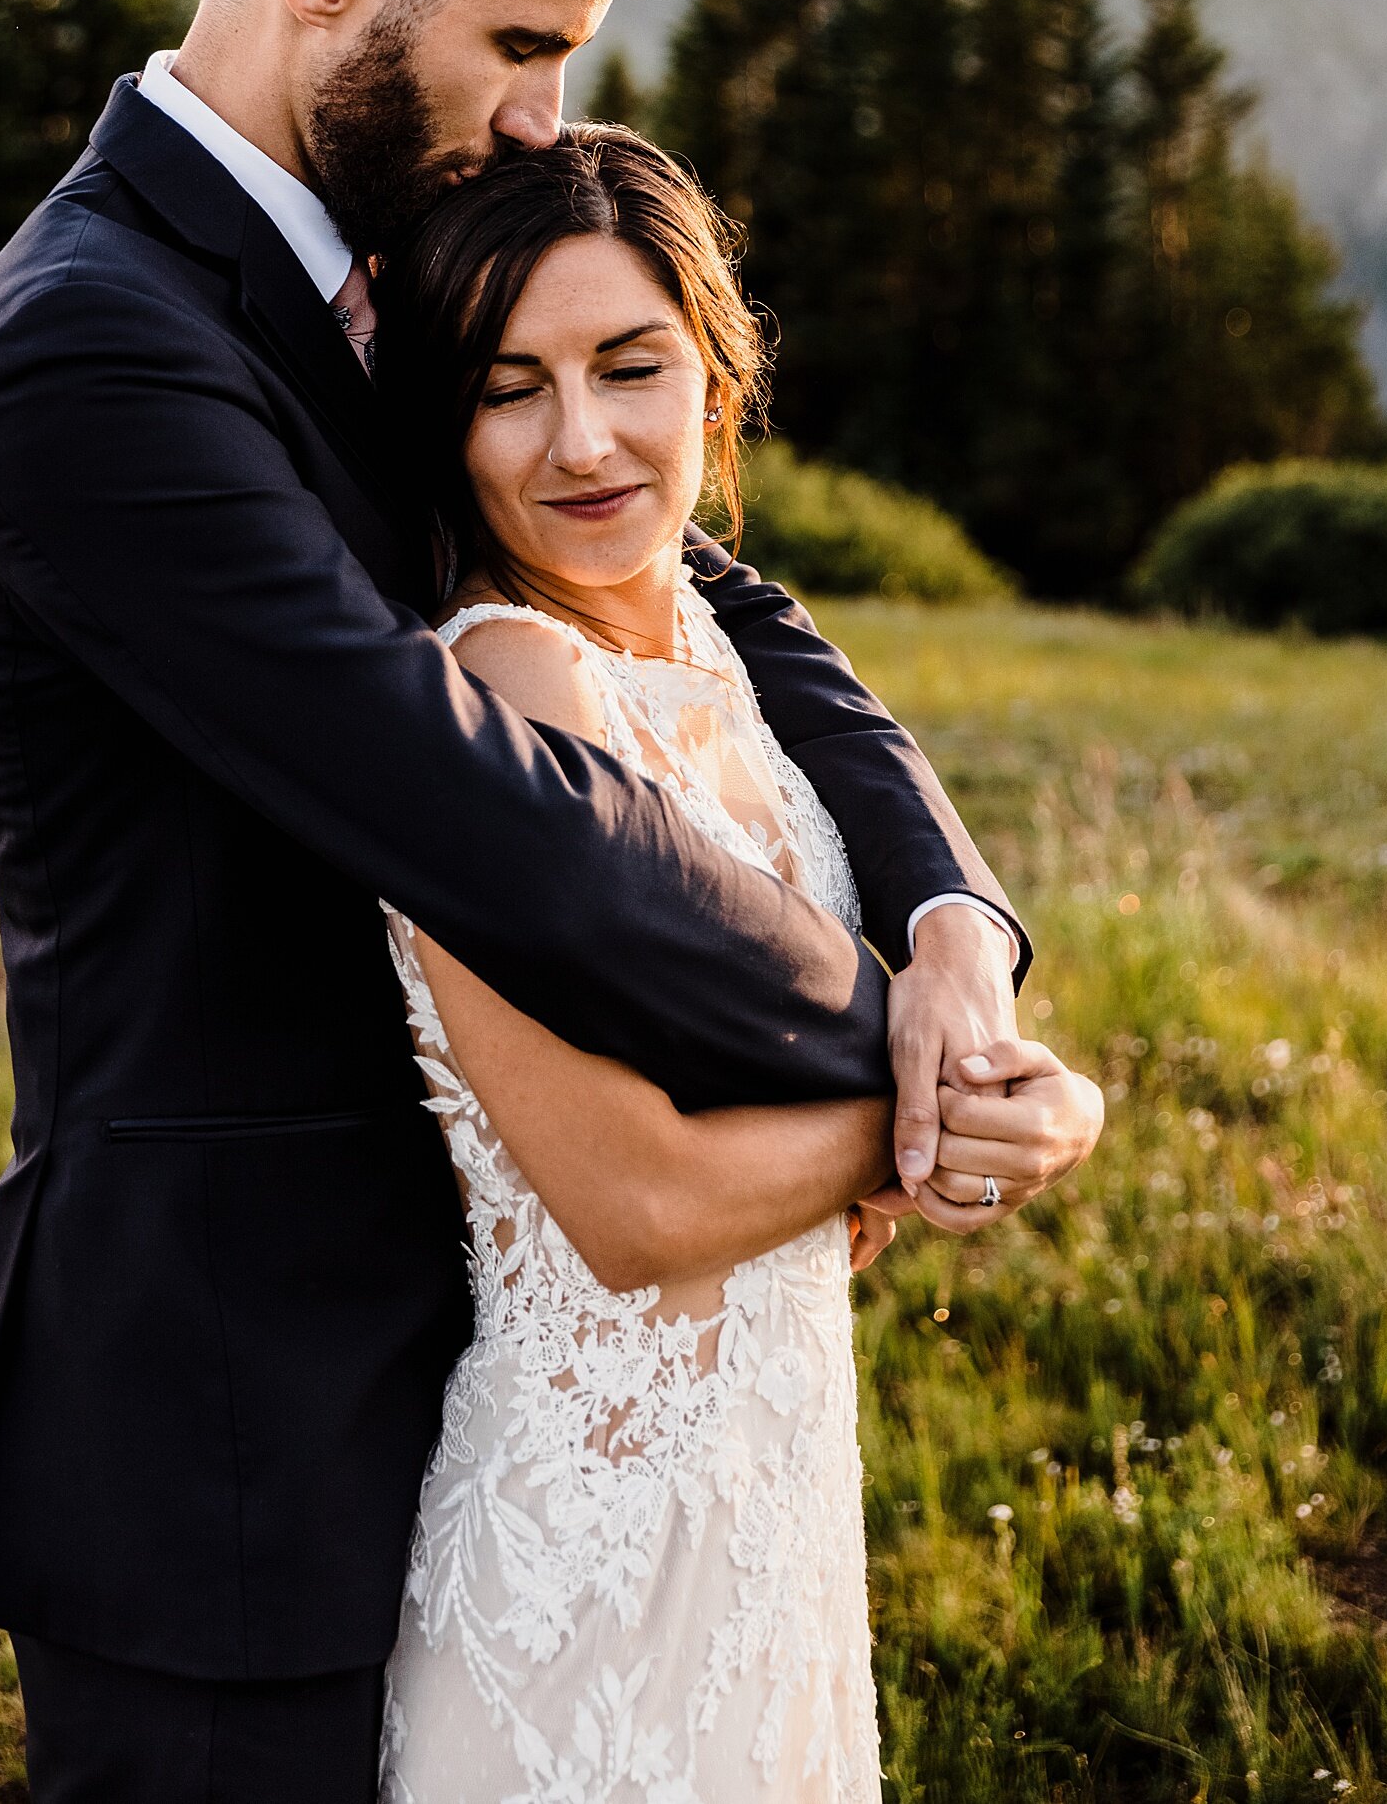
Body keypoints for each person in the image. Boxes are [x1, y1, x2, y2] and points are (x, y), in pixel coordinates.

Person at [0, 0, 1067, 1804]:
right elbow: (495, 821)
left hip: (478, 1399)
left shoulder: (366, 284)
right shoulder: (93, 357)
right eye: (523, 42)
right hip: (229, 1435)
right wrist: (894, 1083)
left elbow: (727, 617)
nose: (541, 115)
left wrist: (956, 943)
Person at [369, 130, 1102, 1799]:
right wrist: (977, 1128)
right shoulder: (498, 697)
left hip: (770, 1481)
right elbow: (634, 1208)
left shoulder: (715, 636)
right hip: (589, 1551)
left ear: (716, 376)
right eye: (509, 389)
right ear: (445, 424)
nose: (583, 440)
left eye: (633, 367)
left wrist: (949, 1011)